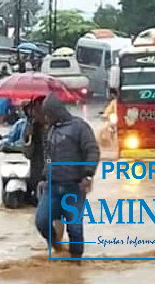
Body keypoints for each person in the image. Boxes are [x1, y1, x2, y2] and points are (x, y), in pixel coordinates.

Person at [34, 94, 100, 259]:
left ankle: (76, 265)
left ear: (56, 111)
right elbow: (48, 156)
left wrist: (88, 174)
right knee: (41, 221)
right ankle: (57, 246)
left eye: (48, 113)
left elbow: (92, 150)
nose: (46, 117)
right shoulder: (51, 130)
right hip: (52, 187)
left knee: (75, 228)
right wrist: (44, 177)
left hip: (74, 187)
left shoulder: (79, 127)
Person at [22, 96, 46, 207]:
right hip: (36, 174)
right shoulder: (30, 128)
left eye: (39, 109)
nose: (36, 113)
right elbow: (27, 153)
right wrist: (29, 137)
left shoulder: (55, 128)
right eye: (34, 110)